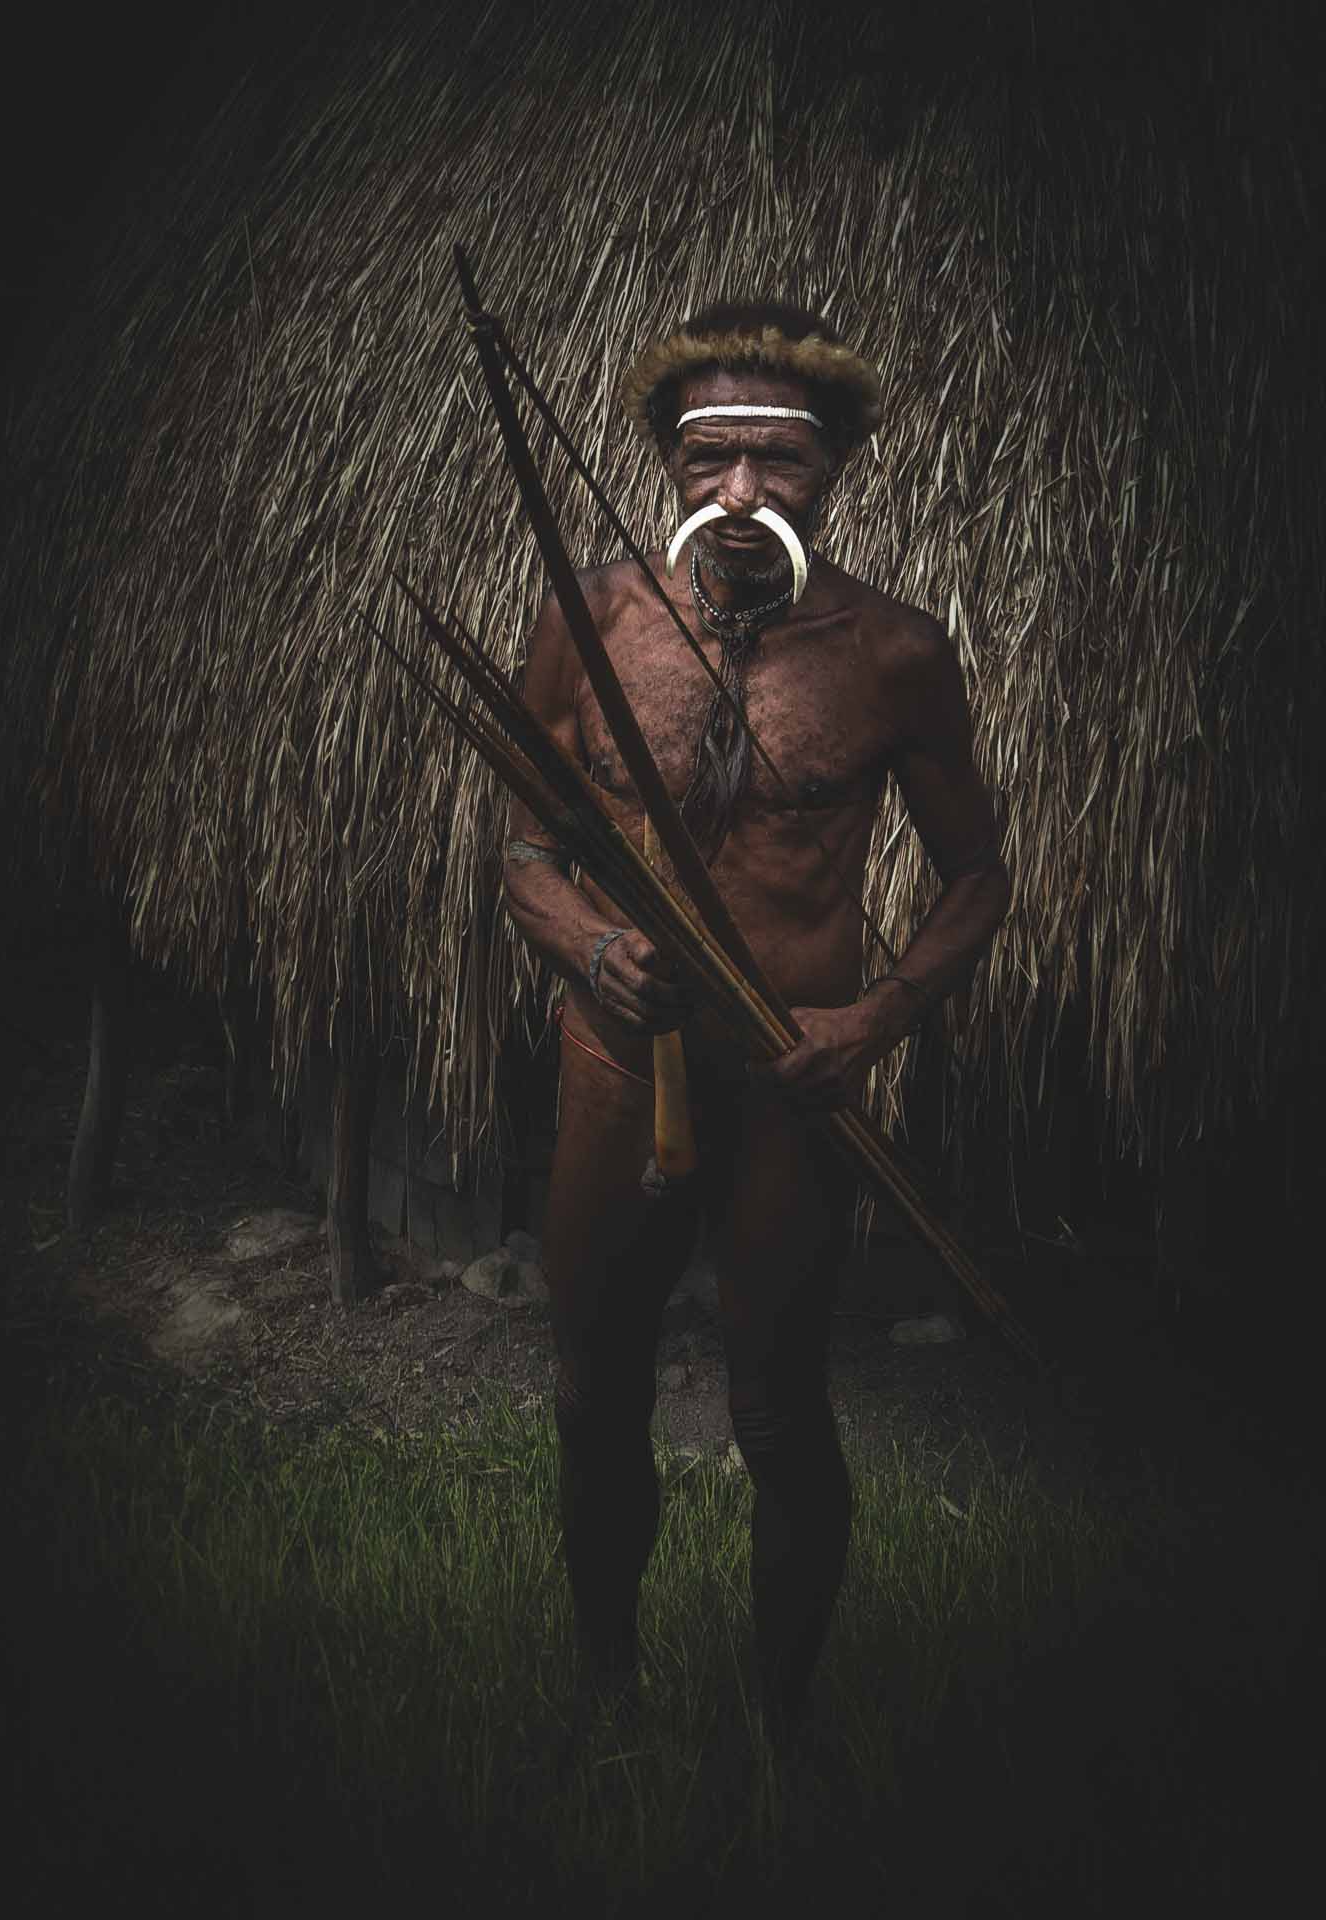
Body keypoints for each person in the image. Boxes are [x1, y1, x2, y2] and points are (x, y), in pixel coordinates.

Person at [501, 301, 1011, 1745]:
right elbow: (526, 859)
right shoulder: (587, 620)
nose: (736, 495)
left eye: (775, 463)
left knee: (781, 1416)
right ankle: (610, 1690)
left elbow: (979, 877)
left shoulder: (895, 654)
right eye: (705, 456)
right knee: (594, 1394)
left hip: (794, 1090)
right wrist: (597, 948)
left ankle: (781, 1733)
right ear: (665, 463)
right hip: (617, 1073)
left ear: (836, 466)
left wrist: (874, 1019)